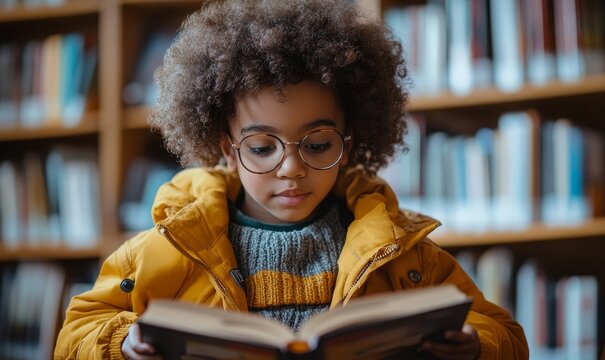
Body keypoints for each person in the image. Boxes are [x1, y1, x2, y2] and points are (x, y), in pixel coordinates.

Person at [55, 1, 528, 359]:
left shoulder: (401, 252)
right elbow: (74, 333)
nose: (291, 169)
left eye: (318, 145)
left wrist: (474, 344)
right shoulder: (167, 248)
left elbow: (504, 333)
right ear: (225, 146)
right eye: (262, 148)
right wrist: (122, 342)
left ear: (350, 138)